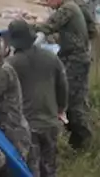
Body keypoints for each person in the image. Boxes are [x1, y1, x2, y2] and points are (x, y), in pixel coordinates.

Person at [5, 19, 68, 177]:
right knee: (49, 166)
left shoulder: (11, 64)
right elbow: (63, 86)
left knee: (31, 169)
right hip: (50, 121)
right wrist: (60, 109)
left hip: (27, 126)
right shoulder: (51, 57)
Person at [37, 0, 92, 150]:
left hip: (75, 60)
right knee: (73, 101)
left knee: (72, 103)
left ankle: (83, 141)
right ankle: (78, 142)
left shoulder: (67, 9)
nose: (47, 3)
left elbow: (48, 26)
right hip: (75, 58)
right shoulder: (69, 7)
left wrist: (27, 27)